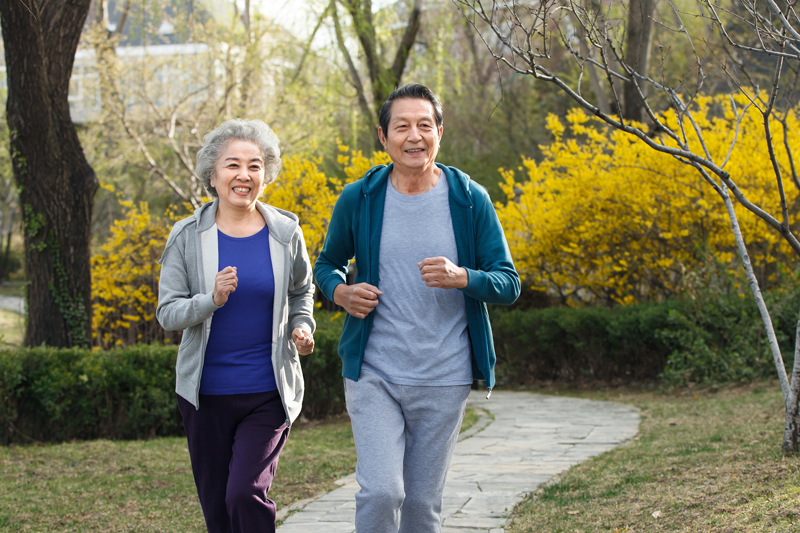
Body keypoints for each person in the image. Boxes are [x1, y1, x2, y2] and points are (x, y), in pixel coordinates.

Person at [313, 83, 520, 532]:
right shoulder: (360, 198)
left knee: (423, 506)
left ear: (439, 133)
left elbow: (509, 283)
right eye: (401, 126)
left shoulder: (469, 199)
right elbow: (326, 264)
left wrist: (464, 277)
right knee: (382, 492)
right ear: (383, 137)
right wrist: (339, 292)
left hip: (444, 374)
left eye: (424, 125)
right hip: (374, 371)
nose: (414, 136)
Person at [156, 119, 315, 533]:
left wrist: (301, 325)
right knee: (218, 511)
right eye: (233, 165)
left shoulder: (285, 232)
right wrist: (210, 300)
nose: (244, 175)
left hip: (268, 391)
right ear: (213, 173)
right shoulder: (187, 236)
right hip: (204, 395)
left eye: (255, 165)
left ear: (266, 174)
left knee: (244, 493)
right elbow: (167, 313)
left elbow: (302, 290)